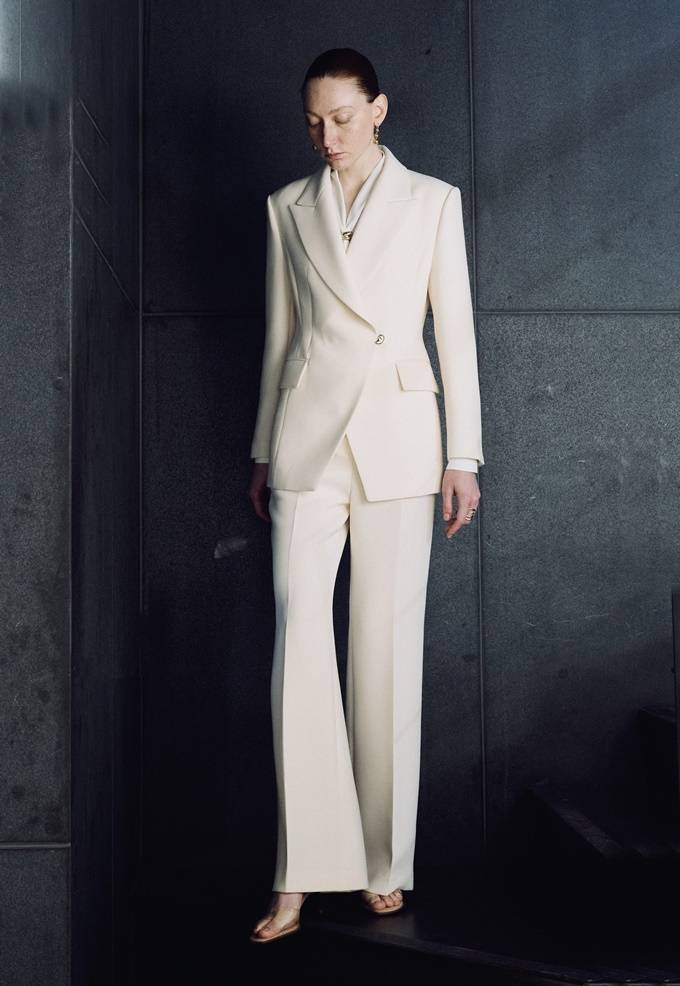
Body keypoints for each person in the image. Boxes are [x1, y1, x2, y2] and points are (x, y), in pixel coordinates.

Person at [247, 48, 484, 943]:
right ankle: (302, 871)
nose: (328, 137)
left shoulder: (431, 201)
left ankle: (385, 863)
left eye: (343, 118)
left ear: (377, 110)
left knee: (386, 652)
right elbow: (280, 340)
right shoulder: (286, 206)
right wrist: (263, 450)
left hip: (399, 437)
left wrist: (463, 455)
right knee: (299, 641)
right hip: (308, 441)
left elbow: (454, 333)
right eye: (314, 122)